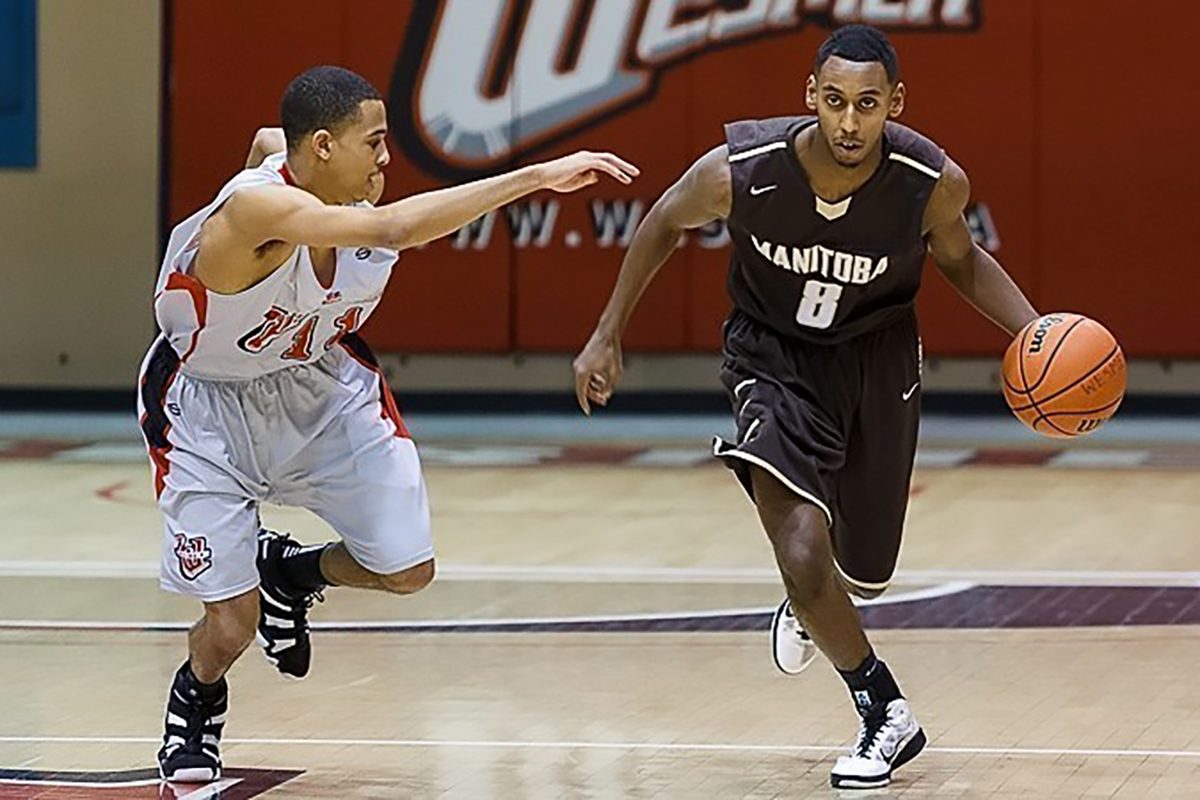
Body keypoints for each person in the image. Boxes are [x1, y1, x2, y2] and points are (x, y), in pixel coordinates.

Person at [140, 65, 638, 783]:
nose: (384, 159)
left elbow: (265, 140)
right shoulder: (253, 215)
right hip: (208, 407)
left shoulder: (309, 178)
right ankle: (198, 701)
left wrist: (266, 150)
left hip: (317, 386)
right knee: (230, 627)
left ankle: (291, 571)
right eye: (372, 143)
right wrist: (537, 175)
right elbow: (397, 226)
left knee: (407, 569)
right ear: (320, 148)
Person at [572, 25, 1037, 789]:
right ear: (808, 97)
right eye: (833, 102)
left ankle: (816, 599)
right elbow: (661, 221)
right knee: (797, 548)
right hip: (772, 361)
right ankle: (883, 709)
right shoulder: (743, 169)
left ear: (895, 103)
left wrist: (1035, 330)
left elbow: (960, 258)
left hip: (877, 360)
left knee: (863, 569)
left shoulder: (930, 180)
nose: (849, 123)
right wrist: (606, 333)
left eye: (866, 105)